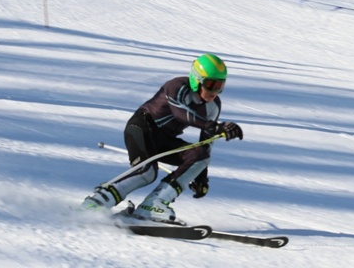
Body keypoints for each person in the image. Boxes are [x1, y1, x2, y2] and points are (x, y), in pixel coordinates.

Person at [81, 53, 243, 223]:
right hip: (142, 128)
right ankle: (97, 201)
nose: (215, 91)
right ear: (197, 79)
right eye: (211, 84)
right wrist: (215, 127)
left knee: (200, 157)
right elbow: (181, 113)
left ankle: (153, 204)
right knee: (147, 172)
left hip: (164, 139)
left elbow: (206, 142)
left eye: (220, 85)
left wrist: (201, 176)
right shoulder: (177, 86)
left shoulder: (213, 106)